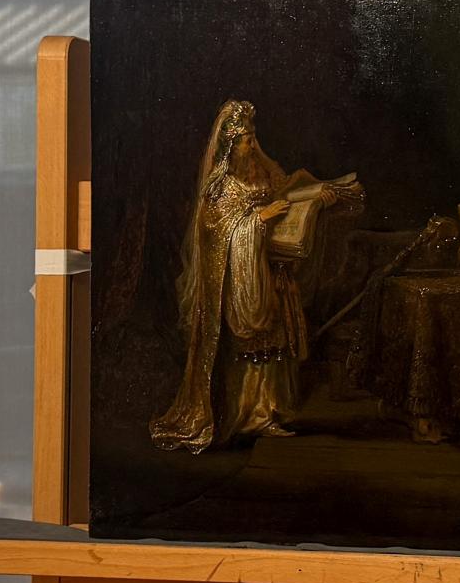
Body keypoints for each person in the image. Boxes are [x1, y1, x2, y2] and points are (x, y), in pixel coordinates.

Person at [152, 100, 356, 451]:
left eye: (252, 136)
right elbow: (218, 233)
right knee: (251, 347)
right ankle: (246, 416)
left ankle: (270, 412)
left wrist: (313, 198)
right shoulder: (221, 187)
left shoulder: (262, 171)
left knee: (275, 343)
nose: (252, 144)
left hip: (272, 272)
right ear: (230, 145)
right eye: (246, 139)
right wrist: (260, 220)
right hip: (241, 280)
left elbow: (286, 191)